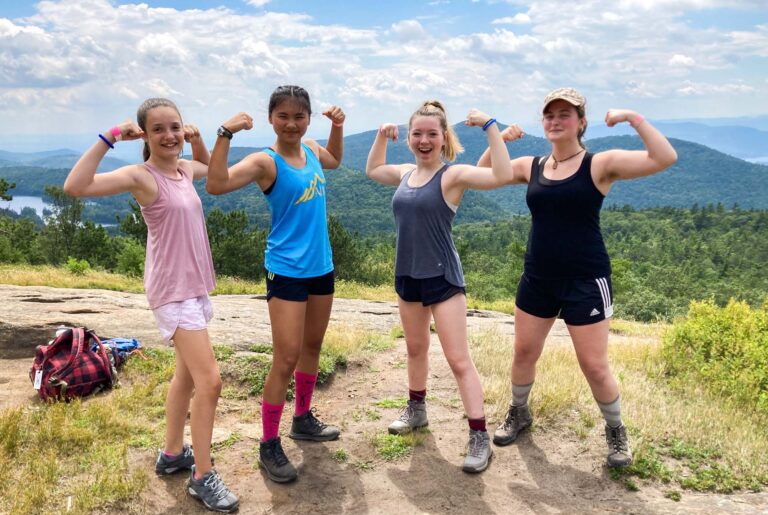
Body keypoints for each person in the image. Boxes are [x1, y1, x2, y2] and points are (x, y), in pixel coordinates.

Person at [477, 87, 678, 467]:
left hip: (586, 279)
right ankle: (519, 412)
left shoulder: (598, 165)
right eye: (549, 115)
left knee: (594, 364)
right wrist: (498, 139)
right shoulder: (533, 165)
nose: (555, 121)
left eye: (564, 114)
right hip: (538, 277)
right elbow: (485, 171)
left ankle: (616, 431)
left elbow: (664, 157)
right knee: (523, 352)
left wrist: (633, 118)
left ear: (580, 122)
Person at [63, 98, 239, 513]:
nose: (169, 135)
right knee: (210, 382)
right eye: (158, 129)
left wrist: (197, 143)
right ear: (144, 135)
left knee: (187, 376)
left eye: (175, 126)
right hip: (172, 292)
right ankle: (202, 476)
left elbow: (213, 173)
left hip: (192, 287)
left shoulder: (182, 171)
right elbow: (76, 187)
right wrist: (109, 138)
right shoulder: (142, 177)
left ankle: (174, 453)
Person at [366, 101, 514, 473]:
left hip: (443, 278)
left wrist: (491, 127)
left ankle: (479, 436)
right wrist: (381, 137)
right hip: (407, 276)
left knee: (458, 360)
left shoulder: (452, 176)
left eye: (432, 133)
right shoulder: (403, 173)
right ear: (410, 137)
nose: (424, 140)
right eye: (417, 133)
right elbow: (372, 169)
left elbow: (501, 174)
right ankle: (416, 410)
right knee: (416, 349)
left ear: (444, 137)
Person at [206, 85, 345, 484]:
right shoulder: (264, 162)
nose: (291, 123)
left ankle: (301, 418)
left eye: (299, 116)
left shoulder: (313, 150)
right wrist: (224, 133)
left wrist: (337, 126)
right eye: (283, 116)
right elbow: (215, 184)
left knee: (312, 347)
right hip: (286, 269)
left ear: (307, 118)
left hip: (321, 265)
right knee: (285, 357)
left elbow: (333, 160)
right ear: (271, 119)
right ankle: (268, 443)